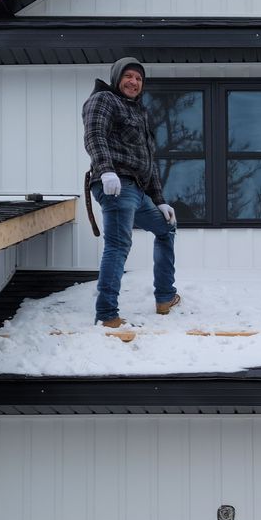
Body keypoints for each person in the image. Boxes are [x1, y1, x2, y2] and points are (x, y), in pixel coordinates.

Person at [82, 56, 178, 327]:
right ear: (116, 78)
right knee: (118, 245)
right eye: (128, 76)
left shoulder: (139, 112)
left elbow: (149, 160)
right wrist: (106, 170)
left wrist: (159, 201)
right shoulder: (103, 100)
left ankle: (165, 297)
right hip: (116, 185)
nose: (134, 82)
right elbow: (94, 135)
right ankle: (107, 314)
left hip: (138, 190)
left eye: (138, 78)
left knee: (166, 229)